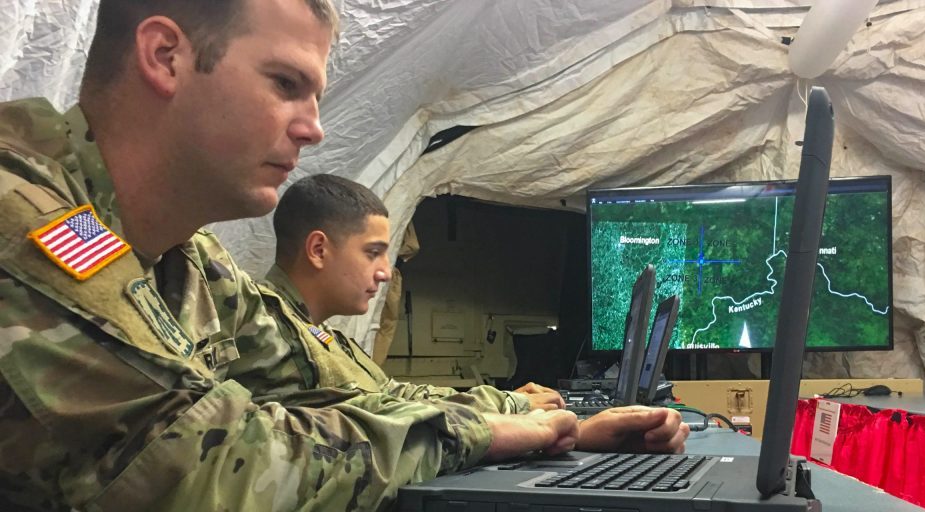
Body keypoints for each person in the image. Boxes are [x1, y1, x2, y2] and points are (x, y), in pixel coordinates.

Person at [0, 1, 580, 510]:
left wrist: (507, 411)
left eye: (317, 97)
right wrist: (482, 433)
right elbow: (198, 469)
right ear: (165, 55)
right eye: (284, 83)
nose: (314, 130)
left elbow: (345, 388)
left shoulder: (187, 258)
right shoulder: (22, 213)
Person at [251, 173, 690, 453]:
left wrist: (515, 405)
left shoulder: (320, 336)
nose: (385, 272)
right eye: (372, 253)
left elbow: (396, 399)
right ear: (318, 249)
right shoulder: (265, 331)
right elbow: (364, 430)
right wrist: (535, 427)